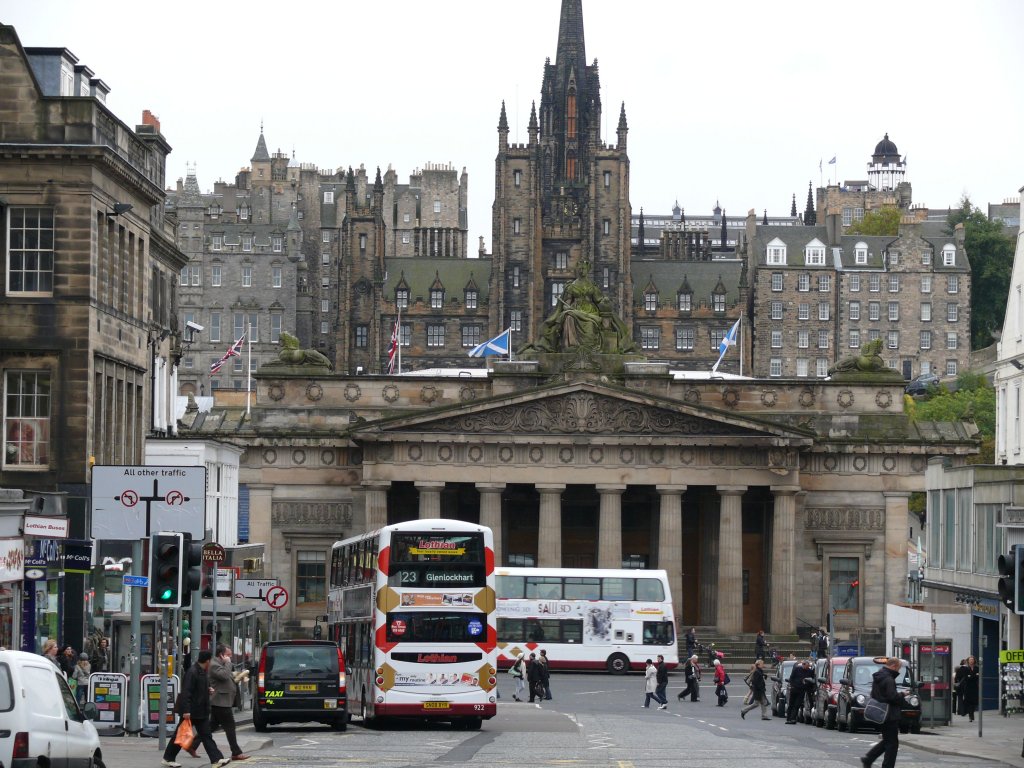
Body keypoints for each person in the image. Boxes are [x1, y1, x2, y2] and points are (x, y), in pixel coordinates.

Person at [162, 649, 230, 768]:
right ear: (207, 661)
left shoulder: (202, 671)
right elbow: (186, 693)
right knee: (180, 735)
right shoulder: (192, 672)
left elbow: (198, 689)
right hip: (191, 711)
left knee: (206, 736)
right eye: (211, 660)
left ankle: (216, 759)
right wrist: (186, 711)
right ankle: (168, 758)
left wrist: (208, 690)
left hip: (200, 711)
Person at [861, 657, 908, 768]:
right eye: (898, 668)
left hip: (881, 713)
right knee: (892, 744)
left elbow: (876, 694)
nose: (898, 671)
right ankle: (886, 765)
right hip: (890, 715)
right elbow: (892, 697)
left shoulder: (878, 676)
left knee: (887, 741)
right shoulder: (888, 679)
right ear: (893, 666)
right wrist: (902, 695)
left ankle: (868, 759)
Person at [209, 644, 249, 761]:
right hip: (220, 701)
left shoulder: (220, 664)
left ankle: (192, 745)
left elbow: (227, 676)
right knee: (230, 727)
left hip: (223, 701)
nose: (230, 657)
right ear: (221, 655)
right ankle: (236, 752)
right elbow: (224, 676)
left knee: (210, 727)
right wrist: (228, 663)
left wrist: (238, 675)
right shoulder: (214, 664)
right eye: (228, 655)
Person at [786, 659, 812, 723]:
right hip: (794, 689)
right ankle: (788, 718)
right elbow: (791, 678)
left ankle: (793, 719)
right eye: (803, 664)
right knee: (791, 704)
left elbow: (811, 681)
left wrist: (807, 686)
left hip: (802, 690)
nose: (804, 666)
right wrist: (792, 685)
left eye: (806, 665)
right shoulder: (797, 669)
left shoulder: (810, 671)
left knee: (797, 705)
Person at [957, 655, 980, 722]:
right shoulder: (966, 668)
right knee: (968, 701)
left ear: (974, 661)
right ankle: (970, 715)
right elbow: (966, 678)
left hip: (975, 687)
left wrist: (971, 676)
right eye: (970, 660)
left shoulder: (977, 668)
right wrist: (973, 676)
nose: (971, 661)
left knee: (975, 702)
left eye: (972, 659)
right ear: (968, 661)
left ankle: (971, 712)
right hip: (968, 687)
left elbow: (977, 677)